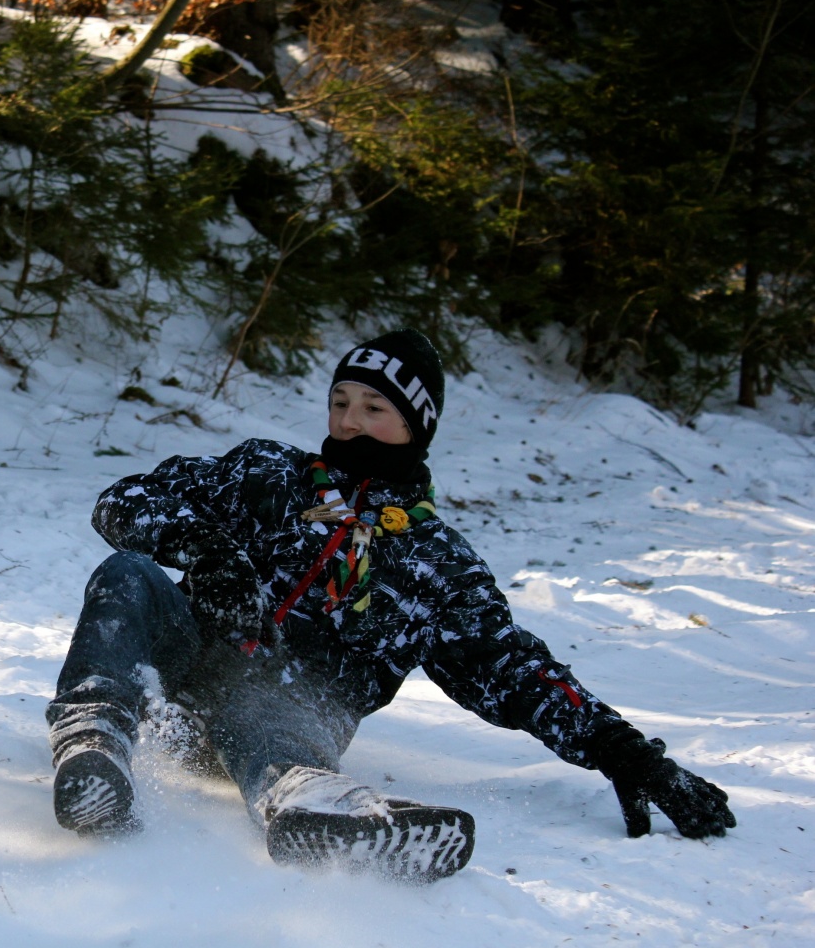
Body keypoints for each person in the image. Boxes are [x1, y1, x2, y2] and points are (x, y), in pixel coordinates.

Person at [46, 328, 735, 882]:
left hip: (283, 720)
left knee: (273, 705)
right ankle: (91, 745)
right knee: (130, 572)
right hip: (173, 690)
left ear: (417, 425)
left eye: (375, 409)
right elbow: (125, 500)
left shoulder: (435, 561)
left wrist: (628, 755)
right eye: (341, 401)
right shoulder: (266, 475)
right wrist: (204, 547)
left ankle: (313, 808)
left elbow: (514, 670)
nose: (349, 422)